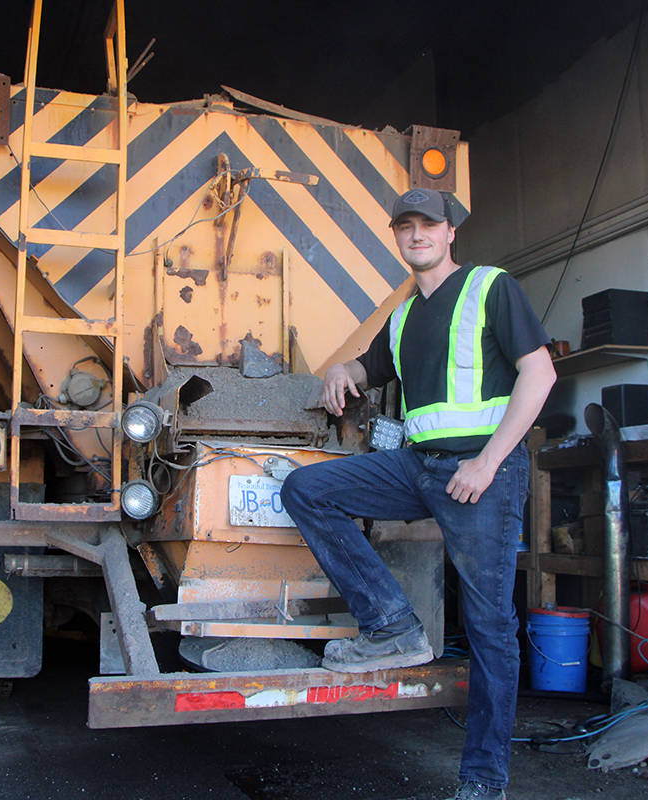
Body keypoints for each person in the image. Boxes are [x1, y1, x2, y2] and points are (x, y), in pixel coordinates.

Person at [281, 188, 556, 800]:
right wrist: (341, 370)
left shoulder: (491, 287)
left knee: (489, 624)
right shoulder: (405, 316)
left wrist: (487, 462)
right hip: (419, 467)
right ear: (397, 237)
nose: (416, 235)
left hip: (482, 472)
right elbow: (368, 368)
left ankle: (484, 780)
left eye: (428, 224)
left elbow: (541, 373)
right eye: (405, 226)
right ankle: (392, 625)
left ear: (450, 231)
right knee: (306, 488)